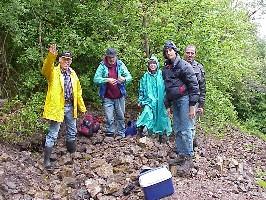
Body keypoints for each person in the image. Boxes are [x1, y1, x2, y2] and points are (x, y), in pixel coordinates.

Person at [42, 44, 86, 170]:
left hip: (71, 107)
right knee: (53, 134)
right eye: (64, 59)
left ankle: (72, 155)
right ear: (60, 60)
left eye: (69, 60)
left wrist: (81, 108)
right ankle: (46, 161)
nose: (67, 62)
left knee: (72, 131)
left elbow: (78, 92)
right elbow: (45, 69)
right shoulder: (53, 72)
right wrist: (51, 56)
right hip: (58, 107)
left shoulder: (73, 73)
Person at [162, 41, 199, 174]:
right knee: (177, 129)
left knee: (186, 129)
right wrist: (167, 105)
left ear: (175, 51)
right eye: (166, 51)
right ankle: (181, 154)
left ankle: (188, 157)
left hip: (185, 99)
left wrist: (192, 106)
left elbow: (194, 86)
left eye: (171, 50)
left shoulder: (184, 65)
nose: (169, 52)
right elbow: (167, 88)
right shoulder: (166, 68)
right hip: (174, 101)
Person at [93, 48, 132, 137]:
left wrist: (124, 79)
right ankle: (110, 132)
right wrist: (107, 80)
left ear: (116, 56)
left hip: (119, 95)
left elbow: (129, 76)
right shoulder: (102, 65)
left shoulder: (120, 64)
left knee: (121, 116)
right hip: (107, 96)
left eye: (113, 57)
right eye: (110, 57)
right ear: (106, 57)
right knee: (109, 117)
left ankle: (121, 133)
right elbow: (96, 79)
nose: (111, 59)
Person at [137, 55, 172, 140]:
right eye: (150, 63)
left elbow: (167, 88)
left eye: (154, 63)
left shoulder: (162, 74)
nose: (152, 65)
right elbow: (141, 89)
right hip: (149, 101)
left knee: (162, 117)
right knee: (147, 113)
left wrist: (168, 101)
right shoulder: (145, 76)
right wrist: (140, 100)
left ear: (157, 64)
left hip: (161, 101)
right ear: (148, 65)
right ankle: (141, 129)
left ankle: (162, 134)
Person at [184, 45, 206, 147]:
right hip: (181, 99)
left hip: (195, 100)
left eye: (192, 53)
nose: (190, 55)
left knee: (191, 123)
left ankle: (189, 148)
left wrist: (201, 105)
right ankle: (184, 145)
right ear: (184, 53)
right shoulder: (179, 65)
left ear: (195, 54)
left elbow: (202, 87)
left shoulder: (199, 68)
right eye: (188, 53)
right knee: (182, 123)